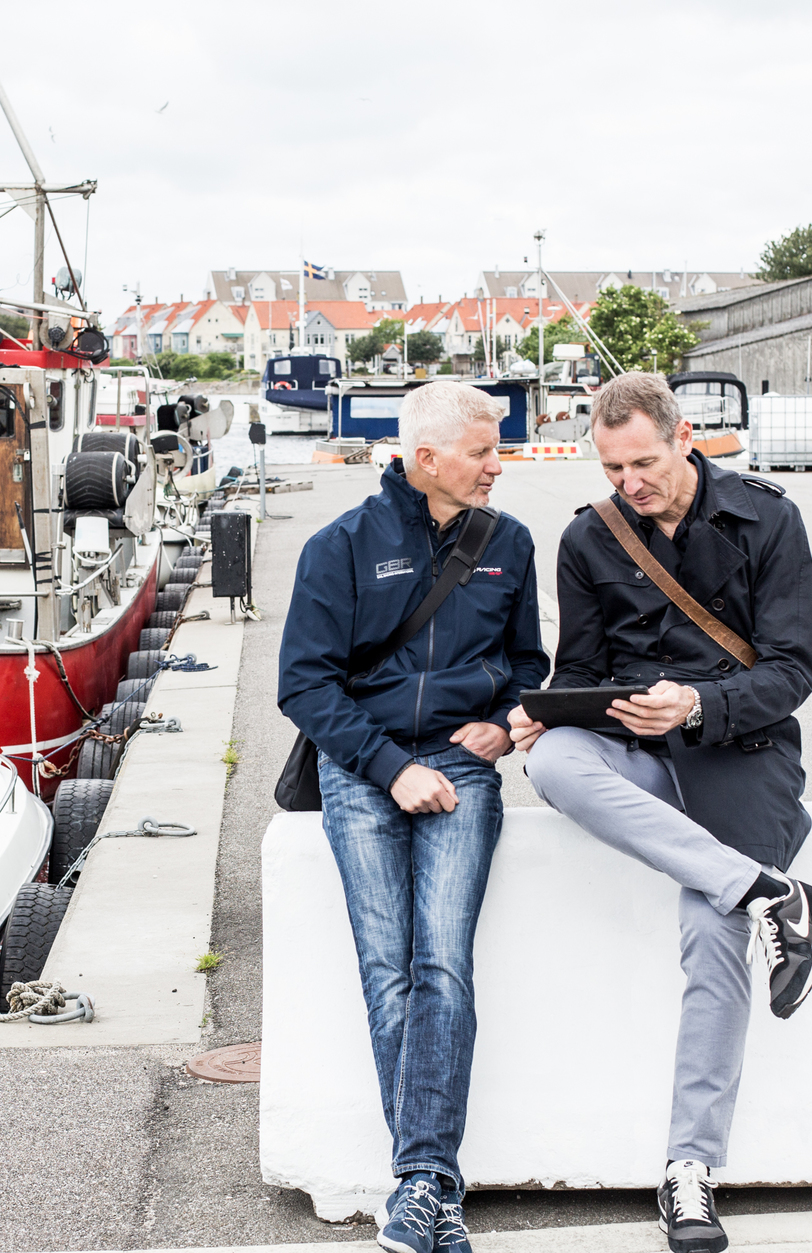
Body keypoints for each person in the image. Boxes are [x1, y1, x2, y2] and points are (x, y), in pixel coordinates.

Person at [509, 371, 812, 1253]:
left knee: (708, 926)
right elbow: (582, 670)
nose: (630, 484)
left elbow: (793, 670)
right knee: (554, 759)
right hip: (634, 749)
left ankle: (690, 1169)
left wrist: (695, 705)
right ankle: (772, 893)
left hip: (741, 748)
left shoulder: (768, 519)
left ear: (684, 437)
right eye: (613, 469)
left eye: (644, 463)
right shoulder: (588, 536)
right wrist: (548, 712)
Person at [279, 382, 548, 1253]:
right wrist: (392, 768)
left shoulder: (509, 542)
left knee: (442, 963)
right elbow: (305, 685)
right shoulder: (340, 546)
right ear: (425, 458)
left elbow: (528, 663)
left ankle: (421, 1183)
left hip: (464, 765)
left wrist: (502, 724)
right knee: (386, 967)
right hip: (365, 768)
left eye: (497, 449)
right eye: (482, 451)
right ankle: (432, 1182)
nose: (497, 466)